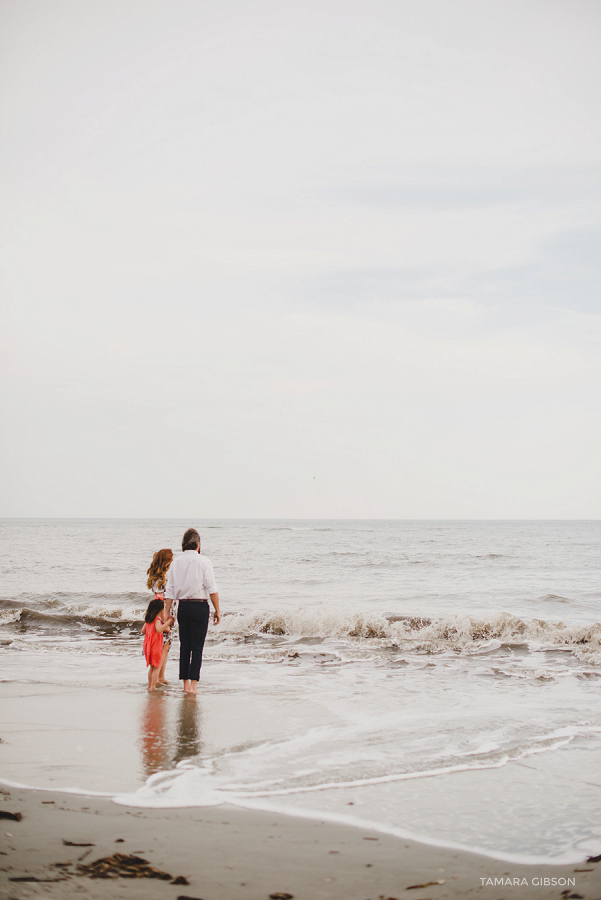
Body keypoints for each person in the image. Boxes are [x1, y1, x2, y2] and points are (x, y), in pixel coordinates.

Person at [165, 528, 221, 695]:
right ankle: (193, 687)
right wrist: (217, 610)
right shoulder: (204, 562)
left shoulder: (176, 563)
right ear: (198, 543)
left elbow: (170, 590)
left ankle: (184, 685)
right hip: (199, 607)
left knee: (185, 646)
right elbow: (211, 588)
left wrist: (167, 612)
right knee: (197, 647)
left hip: (183, 607)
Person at [146, 549, 174, 685]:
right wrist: (164, 617)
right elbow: (160, 598)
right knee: (163, 645)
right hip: (164, 611)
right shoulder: (161, 578)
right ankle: (158, 677)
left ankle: (161, 676)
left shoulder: (157, 576)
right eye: (171, 559)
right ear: (166, 560)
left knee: (166, 645)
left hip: (165, 610)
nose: (172, 561)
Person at [142, 597, 173, 692]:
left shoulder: (148, 619)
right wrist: (168, 622)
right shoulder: (157, 619)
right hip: (155, 645)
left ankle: (149, 686)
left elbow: (143, 630)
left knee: (152, 667)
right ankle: (152, 686)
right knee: (156, 667)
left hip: (148, 644)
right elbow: (159, 629)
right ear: (159, 610)